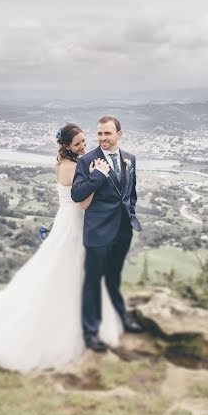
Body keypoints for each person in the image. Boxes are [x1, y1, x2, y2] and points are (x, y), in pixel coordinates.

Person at [0, 123, 123, 373]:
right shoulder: (74, 166)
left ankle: (85, 322)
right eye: (78, 143)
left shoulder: (65, 163)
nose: (83, 146)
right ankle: (70, 327)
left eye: (83, 141)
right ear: (66, 145)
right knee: (73, 269)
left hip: (66, 222)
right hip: (75, 225)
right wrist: (100, 175)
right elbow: (84, 203)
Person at [71, 116, 144, 352]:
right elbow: (77, 194)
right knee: (93, 282)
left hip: (123, 231)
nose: (102, 138)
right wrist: (98, 176)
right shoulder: (88, 161)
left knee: (114, 279)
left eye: (107, 134)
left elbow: (130, 193)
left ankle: (123, 319)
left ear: (119, 134)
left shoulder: (130, 160)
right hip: (98, 231)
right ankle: (91, 333)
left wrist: (130, 213)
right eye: (99, 134)